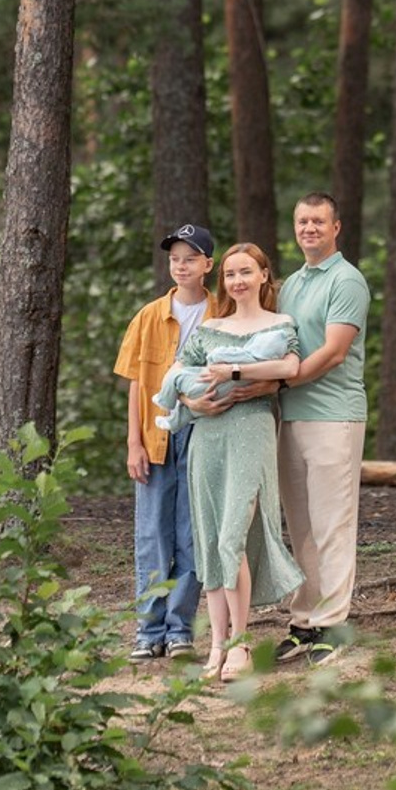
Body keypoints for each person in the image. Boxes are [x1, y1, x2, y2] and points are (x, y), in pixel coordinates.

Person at [169, 242, 304, 682]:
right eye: (230, 274)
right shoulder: (211, 328)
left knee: (233, 537)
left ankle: (240, 643)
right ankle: (216, 646)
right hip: (209, 436)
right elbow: (177, 373)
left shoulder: (280, 324)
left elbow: (290, 368)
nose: (238, 281)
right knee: (209, 539)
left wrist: (237, 374)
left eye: (246, 272)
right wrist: (193, 403)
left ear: (264, 275)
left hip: (250, 430)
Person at [273, 191, 371, 665]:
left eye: (318, 221)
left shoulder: (347, 280)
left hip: (334, 415)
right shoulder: (290, 283)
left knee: (333, 525)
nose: (309, 228)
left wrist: (281, 378)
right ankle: (304, 621)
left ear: (337, 228)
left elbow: (333, 352)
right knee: (302, 528)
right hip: (290, 416)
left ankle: (334, 624)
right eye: (302, 221)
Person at [113, 223, 216, 662]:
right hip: (156, 436)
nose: (181, 266)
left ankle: (179, 629)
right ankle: (148, 629)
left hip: (204, 433)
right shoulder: (150, 315)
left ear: (208, 265)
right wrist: (133, 442)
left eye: (190, 258)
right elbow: (137, 384)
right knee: (152, 533)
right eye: (175, 259)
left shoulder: (222, 315)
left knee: (192, 535)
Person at [151, 331, 295, 434]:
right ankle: (171, 420)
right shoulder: (265, 365)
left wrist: (230, 369)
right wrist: (190, 402)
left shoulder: (246, 355)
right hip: (221, 398)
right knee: (189, 409)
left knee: (177, 378)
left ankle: (165, 400)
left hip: (208, 387)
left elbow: (216, 355)